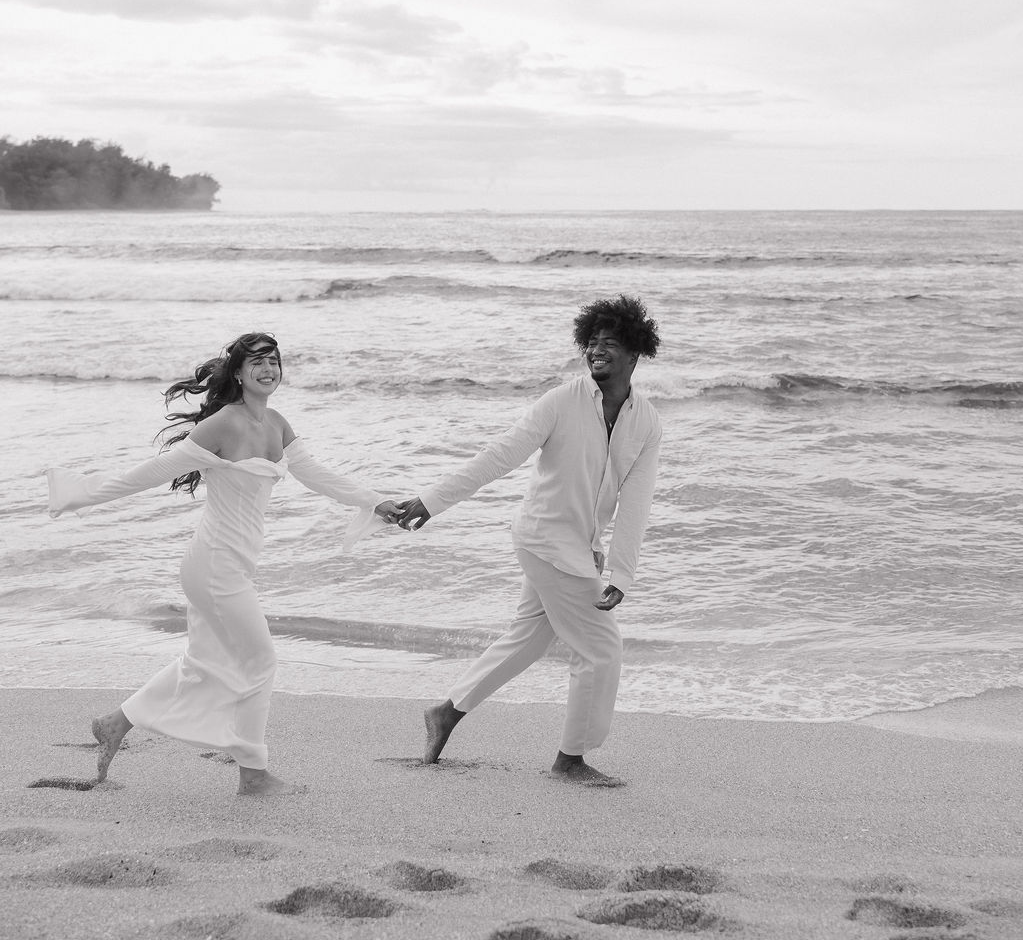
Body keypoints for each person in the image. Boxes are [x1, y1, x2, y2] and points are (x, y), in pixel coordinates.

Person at [45, 331, 401, 797]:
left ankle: (115, 722)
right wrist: (79, 495)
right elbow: (156, 471)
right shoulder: (223, 424)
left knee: (205, 662)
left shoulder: (276, 423)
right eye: (256, 362)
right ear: (237, 372)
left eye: (273, 361)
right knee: (261, 660)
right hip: (214, 565)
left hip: (232, 564)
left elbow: (318, 476)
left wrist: (377, 502)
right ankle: (253, 774)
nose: (267, 369)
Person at [395, 293, 662, 787]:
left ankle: (446, 713)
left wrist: (623, 572)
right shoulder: (561, 401)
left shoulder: (645, 420)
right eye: (593, 341)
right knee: (601, 649)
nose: (598, 349)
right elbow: (500, 455)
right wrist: (432, 500)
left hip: (580, 548)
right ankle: (570, 760)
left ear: (635, 352)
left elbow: (637, 502)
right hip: (544, 539)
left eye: (611, 342)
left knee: (528, 640)